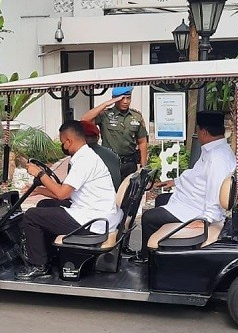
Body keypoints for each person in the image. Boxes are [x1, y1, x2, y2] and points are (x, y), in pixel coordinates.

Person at [16, 120, 121, 280]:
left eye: (62, 143)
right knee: (44, 205)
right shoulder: (87, 156)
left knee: (31, 216)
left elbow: (62, 194)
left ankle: (38, 265)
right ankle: (49, 255)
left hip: (93, 222)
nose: (62, 147)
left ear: (69, 141)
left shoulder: (84, 161)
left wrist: (39, 174)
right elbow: (69, 192)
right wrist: (38, 190)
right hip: (96, 213)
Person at [130, 111, 235, 264]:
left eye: (197, 130)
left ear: (204, 132)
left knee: (148, 218)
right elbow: (198, 176)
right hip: (193, 201)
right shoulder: (215, 150)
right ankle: (164, 252)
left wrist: (205, 220)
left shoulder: (217, 158)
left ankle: (149, 261)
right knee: (161, 199)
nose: (197, 134)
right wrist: (176, 182)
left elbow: (215, 190)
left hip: (197, 209)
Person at [81, 86, 148, 181]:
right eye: (121, 98)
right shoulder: (105, 115)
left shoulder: (136, 116)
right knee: (111, 192)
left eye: (128, 98)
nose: (125, 101)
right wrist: (105, 104)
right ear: (114, 99)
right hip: (110, 162)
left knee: (129, 193)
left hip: (130, 163)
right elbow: (85, 119)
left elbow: (142, 141)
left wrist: (143, 166)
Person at [81, 120, 122, 191]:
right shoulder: (112, 154)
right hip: (113, 196)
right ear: (98, 137)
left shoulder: (82, 156)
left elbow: (67, 191)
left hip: (95, 199)